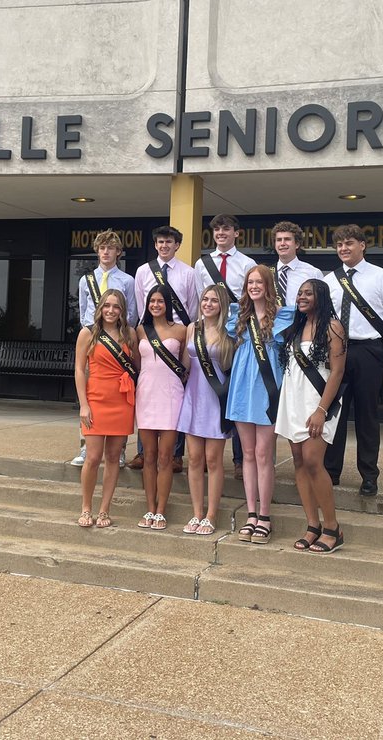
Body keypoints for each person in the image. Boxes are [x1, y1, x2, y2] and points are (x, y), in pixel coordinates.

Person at [322, 224, 383, 496]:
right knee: (333, 413)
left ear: (362, 245)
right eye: (339, 245)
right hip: (336, 352)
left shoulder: (381, 277)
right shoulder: (329, 281)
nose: (343, 249)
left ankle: (369, 475)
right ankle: (331, 472)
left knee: (367, 415)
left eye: (349, 243)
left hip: (367, 350)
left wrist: (376, 345)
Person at [276, 279, 347, 553]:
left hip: (318, 402)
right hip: (294, 400)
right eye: (300, 293)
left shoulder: (333, 327)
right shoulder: (296, 326)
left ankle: (333, 528)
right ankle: (312, 525)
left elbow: (338, 372)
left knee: (313, 462)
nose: (302, 297)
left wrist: (321, 410)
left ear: (321, 296)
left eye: (308, 293)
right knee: (298, 461)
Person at [225, 264, 293, 545]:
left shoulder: (283, 315)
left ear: (268, 286)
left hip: (267, 390)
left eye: (259, 282)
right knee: (248, 454)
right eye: (250, 282)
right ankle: (251, 513)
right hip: (242, 388)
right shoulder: (237, 316)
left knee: (265, 454)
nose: (254, 286)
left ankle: (265, 515)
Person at [128, 225, 201, 473]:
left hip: (176, 337)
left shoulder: (189, 273)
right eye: (160, 242)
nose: (164, 246)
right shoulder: (142, 271)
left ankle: (176, 454)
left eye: (169, 242)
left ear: (177, 245)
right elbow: (141, 304)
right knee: (147, 391)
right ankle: (142, 451)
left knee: (175, 395)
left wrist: (178, 334)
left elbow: (192, 307)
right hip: (150, 334)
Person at [194, 213, 257, 481]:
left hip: (237, 333)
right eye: (217, 229)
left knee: (237, 394)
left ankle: (240, 459)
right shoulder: (201, 263)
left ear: (236, 233)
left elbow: (249, 299)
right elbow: (201, 297)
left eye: (226, 229)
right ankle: (209, 451)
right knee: (211, 392)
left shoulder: (247, 263)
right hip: (211, 333)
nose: (221, 233)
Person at [71, 230, 135, 469]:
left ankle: (119, 451)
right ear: (97, 251)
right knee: (88, 392)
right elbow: (83, 311)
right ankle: (85, 446)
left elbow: (132, 313)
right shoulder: (85, 280)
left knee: (121, 392)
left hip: (117, 340)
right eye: (102, 248)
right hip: (93, 339)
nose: (106, 252)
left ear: (118, 252)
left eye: (111, 248)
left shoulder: (127, 280)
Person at [74, 289, 137, 528]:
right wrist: (83, 405)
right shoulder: (87, 333)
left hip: (121, 400)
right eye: (107, 306)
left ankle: (104, 510)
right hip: (95, 399)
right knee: (92, 457)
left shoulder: (130, 334)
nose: (111, 311)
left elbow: (138, 366)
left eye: (116, 306)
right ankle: (86, 507)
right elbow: (80, 370)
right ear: (100, 308)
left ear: (122, 310)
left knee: (113, 457)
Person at [177, 284, 235, 536]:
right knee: (195, 459)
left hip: (215, 398)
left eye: (213, 300)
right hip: (193, 398)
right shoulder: (192, 328)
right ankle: (197, 513)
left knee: (213, 460)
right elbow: (184, 366)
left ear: (222, 305)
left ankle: (211, 514)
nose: (208, 304)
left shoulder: (229, 332)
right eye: (205, 299)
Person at [134, 286, 187, 530]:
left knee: (166, 458)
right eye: (152, 301)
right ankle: (149, 508)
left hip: (171, 397)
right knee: (149, 457)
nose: (156, 305)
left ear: (168, 304)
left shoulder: (181, 330)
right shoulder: (140, 330)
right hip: (146, 396)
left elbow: (186, 366)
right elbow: (136, 363)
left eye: (160, 301)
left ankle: (161, 510)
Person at [270, 220, 321, 307]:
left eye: (287, 239)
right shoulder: (266, 273)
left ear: (297, 244)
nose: (282, 243)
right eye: (279, 240)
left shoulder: (313, 273)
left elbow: (321, 304)